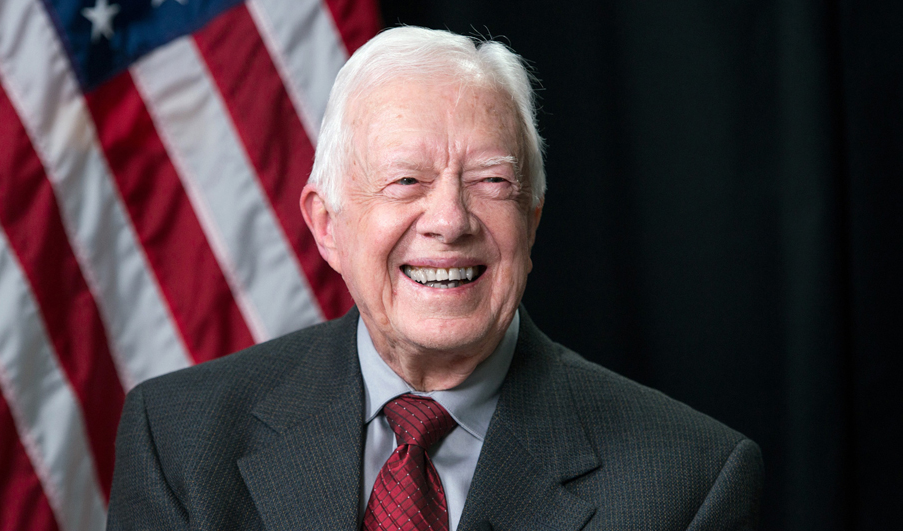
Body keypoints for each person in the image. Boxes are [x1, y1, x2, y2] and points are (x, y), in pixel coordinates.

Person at [107, 26, 763, 531]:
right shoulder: (180, 441)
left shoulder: (690, 482)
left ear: (530, 221)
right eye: (406, 181)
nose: (449, 221)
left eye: (491, 182)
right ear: (327, 224)